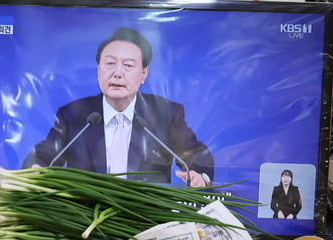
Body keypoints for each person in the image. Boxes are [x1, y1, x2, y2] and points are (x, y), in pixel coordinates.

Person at [26, 27, 214, 185]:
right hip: (85, 218)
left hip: (147, 218)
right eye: (109, 63)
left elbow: (196, 155)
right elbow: (45, 154)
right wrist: (36, 168)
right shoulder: (73, 115)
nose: (117, 73)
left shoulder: (166, 113)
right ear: (98, 70)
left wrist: (199, 176)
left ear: (143, 74)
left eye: (128, 65)